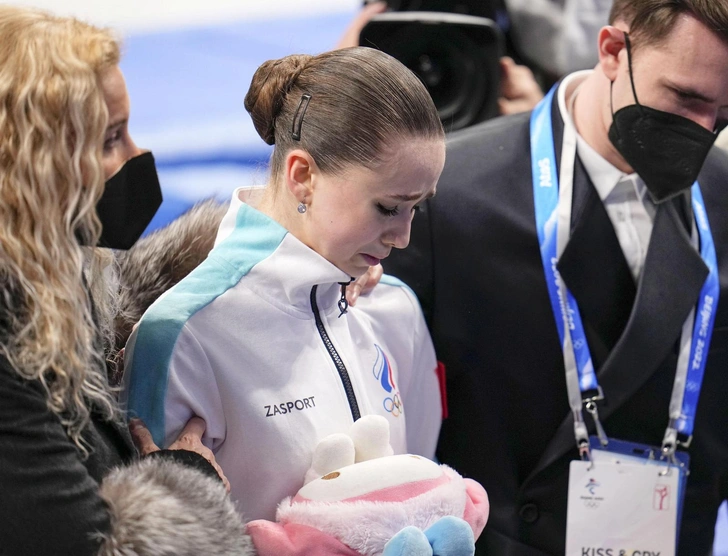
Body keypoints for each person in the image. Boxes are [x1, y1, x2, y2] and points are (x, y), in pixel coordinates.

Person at [384, 0, 728, 553]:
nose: (703, 131)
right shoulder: (446, 200)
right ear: (614, 51)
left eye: (724, 112)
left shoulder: (724, 196)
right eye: (685, 99)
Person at [123, 46, 447, 523]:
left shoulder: (392, 309)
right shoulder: (184, 336)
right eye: (388, 207)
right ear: (303, 175)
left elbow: (423, 505)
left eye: (417, 206)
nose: (403, 237)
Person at [0, 7, 254, 555]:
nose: (138, 156)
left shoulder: (44, 272)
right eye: (112, 137)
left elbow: (101, 310)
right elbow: (90, 543)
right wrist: (188, 482)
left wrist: (276, 263)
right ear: (29, 167)